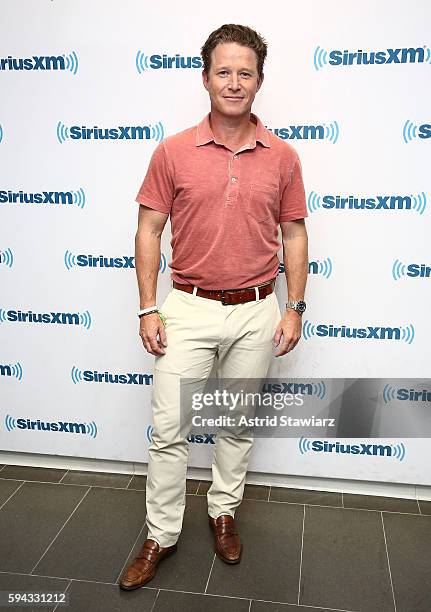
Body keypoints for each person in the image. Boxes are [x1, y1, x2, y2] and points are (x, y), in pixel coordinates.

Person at [119, 23, 308, 591]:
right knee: (169, 429)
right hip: (188, 307)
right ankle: (161, 534)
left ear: (259, 81)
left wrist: (294, 305)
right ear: (205, 79)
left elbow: (294, 234)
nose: (233, 82)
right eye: (223, 71)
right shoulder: (173, 150)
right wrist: (148, 307)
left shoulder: (282, 155)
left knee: (235, 423)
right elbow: (148, 229)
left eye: (244, 72)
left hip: (256, 309)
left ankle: (223, 511)